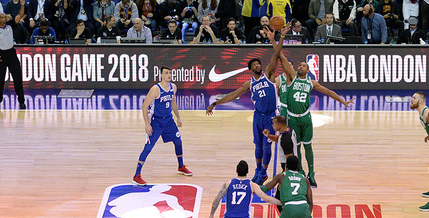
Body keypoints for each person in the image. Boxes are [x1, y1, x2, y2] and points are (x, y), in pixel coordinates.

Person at [271, 29, 356, 187]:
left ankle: (312, 173)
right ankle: (301, 171)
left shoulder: (311, 83)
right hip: (292, 117)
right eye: (300, 65)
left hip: (305, 117)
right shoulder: (291, 78)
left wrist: (343, 101)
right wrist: (275, 39)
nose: (300, 66)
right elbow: (280, 55)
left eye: (303, 65)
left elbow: (328, 91)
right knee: (296, 148)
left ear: (308, 70)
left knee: (308, 146)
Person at [206, 23, 290, 184]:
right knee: (257, 146)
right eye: (254, 65)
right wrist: (215, 103)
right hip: (258, 116)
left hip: (270, 117)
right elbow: (232, 95)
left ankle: (264, 172)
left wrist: (281, 38)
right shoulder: (249, 83)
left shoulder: (269, 74)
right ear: (251, 69)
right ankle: (259, 171)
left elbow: (277, 54)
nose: (258, 65)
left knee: (266, 146)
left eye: (258, 63)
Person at [132, 66, 192, 185]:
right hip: (156, 122)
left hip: (168, 121)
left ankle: (181, 167)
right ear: (161, 75)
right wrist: (147, 124)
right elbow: (144, 106)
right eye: (166, 73)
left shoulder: (173, 87)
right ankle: (136, 175)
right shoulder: (155, 89)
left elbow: (173, 102)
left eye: (170, 73)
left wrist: (178, 117)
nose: (169, 75)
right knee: (148, 147)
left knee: (178, 142)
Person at [0, 2, 26, 110]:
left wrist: (22, 5)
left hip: (11, 54)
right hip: (0, 56)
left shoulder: (11, 25)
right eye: (2, 17)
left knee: (18, 79)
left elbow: (20, 15)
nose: (4, 19)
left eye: (5, 17)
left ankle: (21, 101)